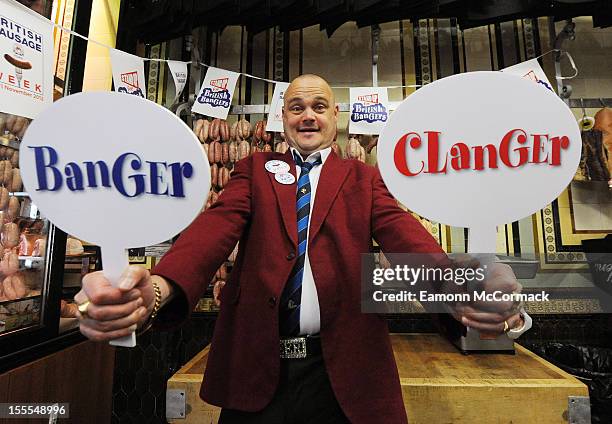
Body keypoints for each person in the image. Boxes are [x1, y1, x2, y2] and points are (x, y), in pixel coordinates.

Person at [75, 74, 529, 423]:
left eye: (317, 106)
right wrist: (158, 287)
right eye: (296, 107)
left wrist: (458, 285)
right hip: (257, 368)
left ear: (335, 116)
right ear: (283, 119)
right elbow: (216, 228)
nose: (307, 116)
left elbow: (403, 237)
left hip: (344, 374)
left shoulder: (363, 179)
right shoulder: (256, 169)